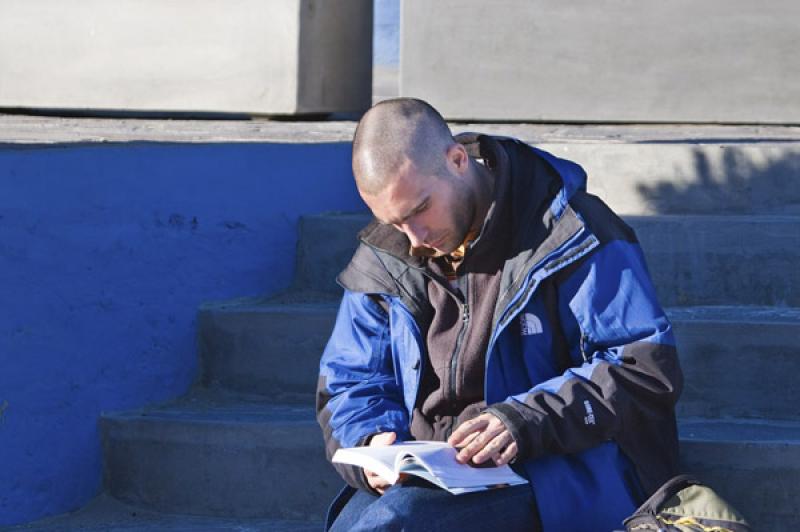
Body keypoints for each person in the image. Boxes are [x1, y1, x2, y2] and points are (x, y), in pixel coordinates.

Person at [316, 98, 683, 532]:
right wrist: (370, 441)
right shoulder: (387, 253)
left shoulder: (572, 230)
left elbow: (643, 369)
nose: (413, 238)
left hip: (557, 466)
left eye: (419, 210)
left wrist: (523, 420)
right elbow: (350, 380)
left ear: (456, 160)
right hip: (430, 472)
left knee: (399, 525)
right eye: (394, 222)